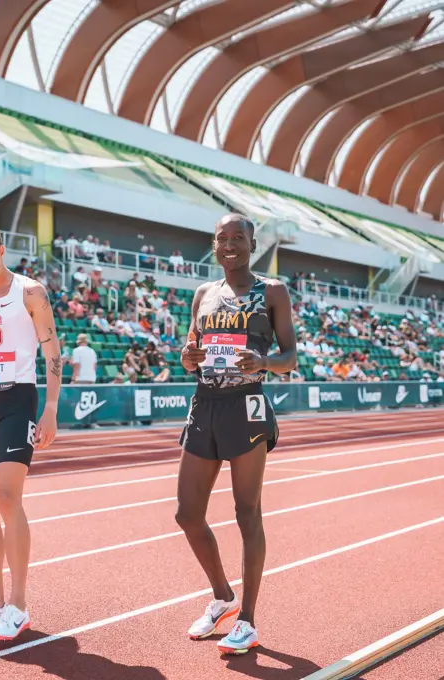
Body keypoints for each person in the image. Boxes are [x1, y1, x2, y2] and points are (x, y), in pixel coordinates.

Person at [177, 214, 296, 655]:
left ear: (252, 243)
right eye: (222, 239)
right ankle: (223, 597)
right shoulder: (204, 294)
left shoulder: (273, 291)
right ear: (214, 244)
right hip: (204, 404)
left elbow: (290, 357)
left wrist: (262, 362)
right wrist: (188, 355)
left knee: (247, 513)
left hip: (247, 408)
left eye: (238, 238)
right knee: (187, 514)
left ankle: (247, 619)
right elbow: (191, 355)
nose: (230, 245)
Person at [0, 223, 61, 640]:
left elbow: (52, 349)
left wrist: (51, 408)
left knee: (7, 497)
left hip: (18, 399)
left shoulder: (30, 292)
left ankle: (18, 603)